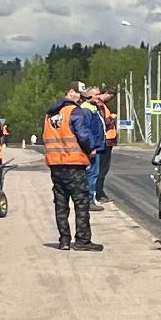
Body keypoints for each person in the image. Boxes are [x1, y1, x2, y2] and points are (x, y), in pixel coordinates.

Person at [43, 81, 102, 251]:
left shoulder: (50, 114)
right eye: (79, 95)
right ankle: (83, 240)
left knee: (61, 203)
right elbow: (83, 135)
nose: (80, 99)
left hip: (56, 164)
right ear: (70, 92)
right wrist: (91, 148)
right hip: (74, 164)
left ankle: (64, 240)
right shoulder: (75, 111)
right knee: (81, 202)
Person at [76, 83, 108, 211]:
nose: (99, 97)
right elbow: (86, 131)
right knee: (92, 174)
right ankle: (88, 201)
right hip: (92, 148)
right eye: (96, 94)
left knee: (93, 174)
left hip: (97, 147)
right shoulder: (86, 110)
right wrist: (91, 147)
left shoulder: (93, 108)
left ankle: (90, 199)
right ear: (89, 96)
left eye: (99, 94)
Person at [93, 85, 118, 202]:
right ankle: (99, 193)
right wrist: (112, 118)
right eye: (110, 96)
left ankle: (99, 192)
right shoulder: (100, 106)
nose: (110, 98)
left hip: (108, 141)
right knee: (102, 169)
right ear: (105, 93)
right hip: (105, 141)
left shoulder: (103, 106)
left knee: (103, 168)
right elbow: (103, 123)